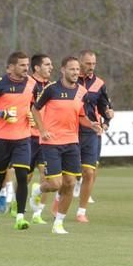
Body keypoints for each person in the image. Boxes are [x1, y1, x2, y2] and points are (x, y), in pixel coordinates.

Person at [29, 56, 102, 234]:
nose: (76, 72)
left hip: (72, 143)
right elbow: (35, 109)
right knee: (55, 184)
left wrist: (91, 124)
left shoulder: (82, 92)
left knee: (69, 183)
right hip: (51, 142)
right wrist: (42, 129)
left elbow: (81, 116)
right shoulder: (51, 89)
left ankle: (59, 223)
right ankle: (38, 190)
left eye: (77, 69)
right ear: (63, 70)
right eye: (72, 69)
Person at [0, 51, 38, 230]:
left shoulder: (32, 84)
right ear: (10, 67)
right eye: (22, 65)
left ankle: (20, 217)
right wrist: (0, 113)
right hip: (1, 139)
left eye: (27, 65)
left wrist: (33, 116)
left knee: (21, 175)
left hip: (23, 138)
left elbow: (35, 105)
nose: (26, 68)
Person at [73, 50, 114, 223]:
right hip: (71, 130)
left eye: (94, 64)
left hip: (91, 131)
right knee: (67, 176)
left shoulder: (99, 83)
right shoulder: (69, 81)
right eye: (88, 63)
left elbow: (105, 106)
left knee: (89, 171)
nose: (91, 67)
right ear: (80, 62)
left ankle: (81, 211)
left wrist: (107, 119)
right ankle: (60, 199)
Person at [26, 54, 54, 224]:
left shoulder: (52, 87)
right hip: (28, 136)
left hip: (46, 137)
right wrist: (25, 115)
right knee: (26, 176)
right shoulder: (27, 84)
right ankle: (17, 202)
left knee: (46, 175)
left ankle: (38, 213)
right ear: (36, 68)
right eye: (47, 64)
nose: (51, 67)